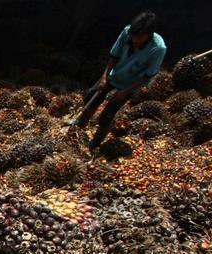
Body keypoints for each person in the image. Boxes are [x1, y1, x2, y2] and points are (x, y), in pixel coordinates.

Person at [69, 11, 166, 152]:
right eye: (133, 36)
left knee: (107, 115)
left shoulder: (158, 48)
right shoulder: (127, 32)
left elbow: (148, 75)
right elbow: (114, 55)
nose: (134, 40)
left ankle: (95, 143)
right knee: (92, 95)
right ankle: (79, 125)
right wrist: (104, 76)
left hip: (130, 84)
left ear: (149, 34)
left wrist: (126, 92)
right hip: (114, 75)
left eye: (139, 37)